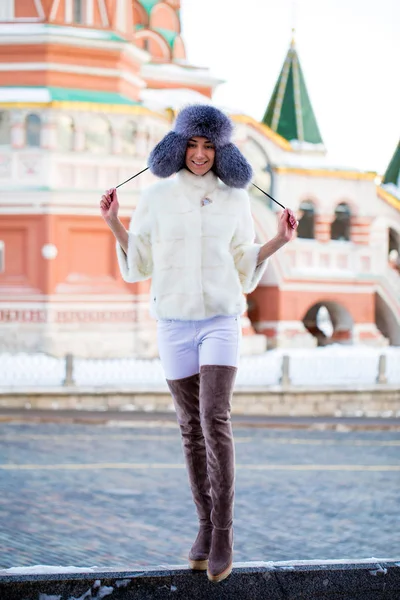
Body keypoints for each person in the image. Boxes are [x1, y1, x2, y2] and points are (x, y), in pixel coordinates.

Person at [100, 105, 298, 583]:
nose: (201, 154)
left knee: (215, 417)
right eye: (193, 144)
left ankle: (225, 531)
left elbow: (242, 260)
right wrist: (113, 222)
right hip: (173, 322)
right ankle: (205, 527)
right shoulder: (155, 197)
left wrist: (278, 241)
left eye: (210, 146)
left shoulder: (235, 198)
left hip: (221, 319)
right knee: (190, 427)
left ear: (222, 150)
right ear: (177, 146)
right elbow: (141, 262)